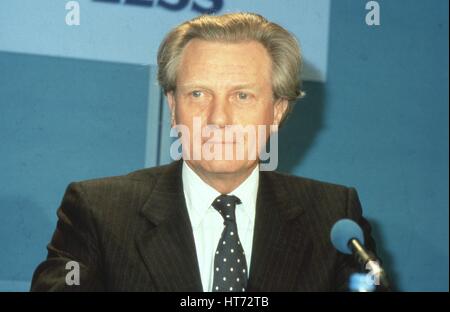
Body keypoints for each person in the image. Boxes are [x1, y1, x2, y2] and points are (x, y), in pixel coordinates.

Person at [31, 12, 380, 292]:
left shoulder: (334, 219)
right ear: (172, 106)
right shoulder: (98, 212)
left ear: (276, 112)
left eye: (242, 96)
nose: (218, 118)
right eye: (198, 94)